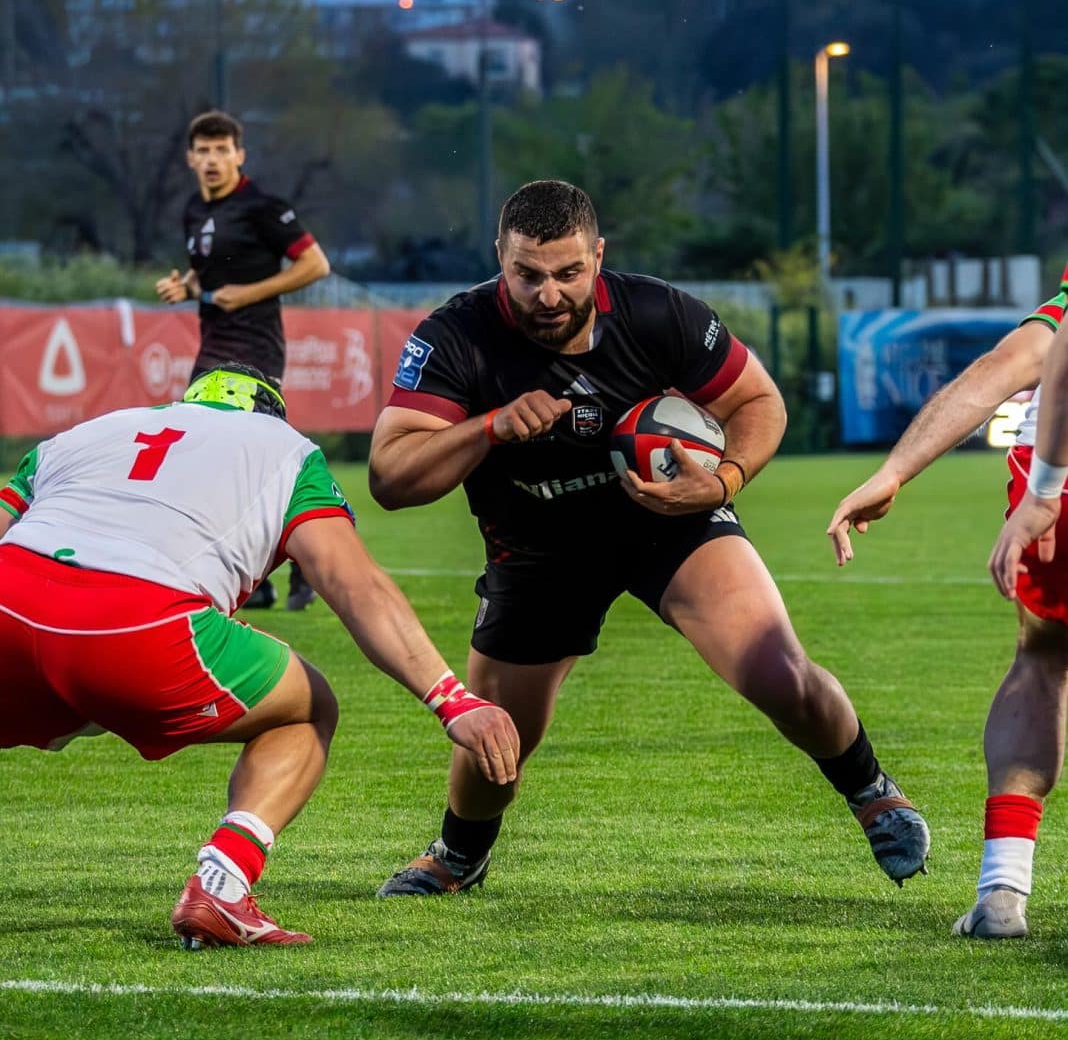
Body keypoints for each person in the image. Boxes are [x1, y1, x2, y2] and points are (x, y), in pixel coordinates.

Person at [367, 179, 929, 898]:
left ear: (598, 256)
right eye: (528, 274)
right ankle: (459, 854)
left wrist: (722, 482)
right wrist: (490, 426)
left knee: (778, 670)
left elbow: (759, 401)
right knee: (498, 736)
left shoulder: (657, 312)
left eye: (569, 272)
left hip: (670, 523)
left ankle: (872, 791)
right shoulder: (455, 336)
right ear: (499, 258)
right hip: (536, 548)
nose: (548, 294)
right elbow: (390, 476)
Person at [0, 363, 519, 948]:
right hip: (142, 622)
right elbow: (353, 585)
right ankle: (223, 884)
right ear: (271, 413)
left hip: (10, 598)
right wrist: (451, 700)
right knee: (308, 709)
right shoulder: (286, 450)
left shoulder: (89, 431)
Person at [827, 270, 1067, 938]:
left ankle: (1002, 893)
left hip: (1056, 472)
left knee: (1044, 659)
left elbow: (1016, 362)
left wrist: (895, 470)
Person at [155, 109, 330, 611]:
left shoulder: (262, 207)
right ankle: (256, 580)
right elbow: (205, 270)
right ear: (190, 159)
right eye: (204, 151)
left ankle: (307, 557)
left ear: (239, 155)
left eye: (222, 150)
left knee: (256, 459)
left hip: (255, 347)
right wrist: (187, 286)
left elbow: (315, 264)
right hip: (211, 346)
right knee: (206, 458)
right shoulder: (194, 209)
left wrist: (249, 293)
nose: (213, 160)